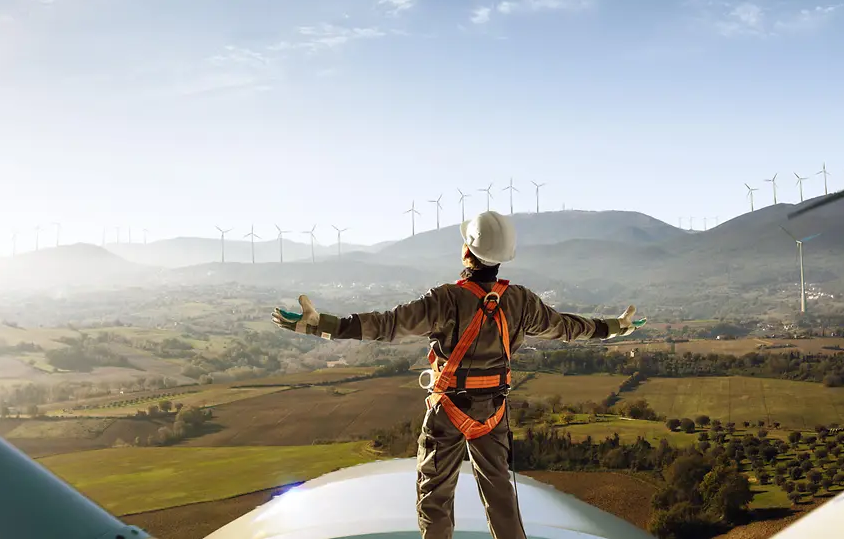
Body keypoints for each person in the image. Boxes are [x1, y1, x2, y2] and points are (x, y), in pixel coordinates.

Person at [271, 210, 642, 539]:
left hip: (447, 411)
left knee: (435, 501)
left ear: (468, 251)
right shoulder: (520, 302)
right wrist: (616, 327)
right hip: (493, 414)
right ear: (503, 259)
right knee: (501, 500)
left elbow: (385, 326)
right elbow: (568, 327)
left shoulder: (445, 300)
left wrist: (323, 326)